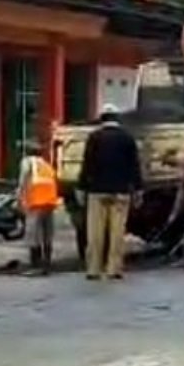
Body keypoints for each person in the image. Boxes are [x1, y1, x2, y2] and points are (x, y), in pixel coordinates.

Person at [77, 104, 143, 281]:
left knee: (95, 233)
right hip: (121, 192)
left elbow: (87, 165)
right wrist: (138, 190)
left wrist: (81, 188)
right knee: (117, 233)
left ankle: (93, 269)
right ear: (117, 118)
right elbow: (134, 166)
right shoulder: (127, 138)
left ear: (102, 119)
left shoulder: (94, 137)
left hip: (97, 192)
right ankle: (114, 269)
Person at [16, 140, 60, 273]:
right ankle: (47, 262)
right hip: (50, 202)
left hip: (36, 202)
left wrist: (19, 199)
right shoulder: (45, 164)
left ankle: (35, 265)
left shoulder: (28, 162)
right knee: (47, 233)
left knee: (33, 234)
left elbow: (23, 181)